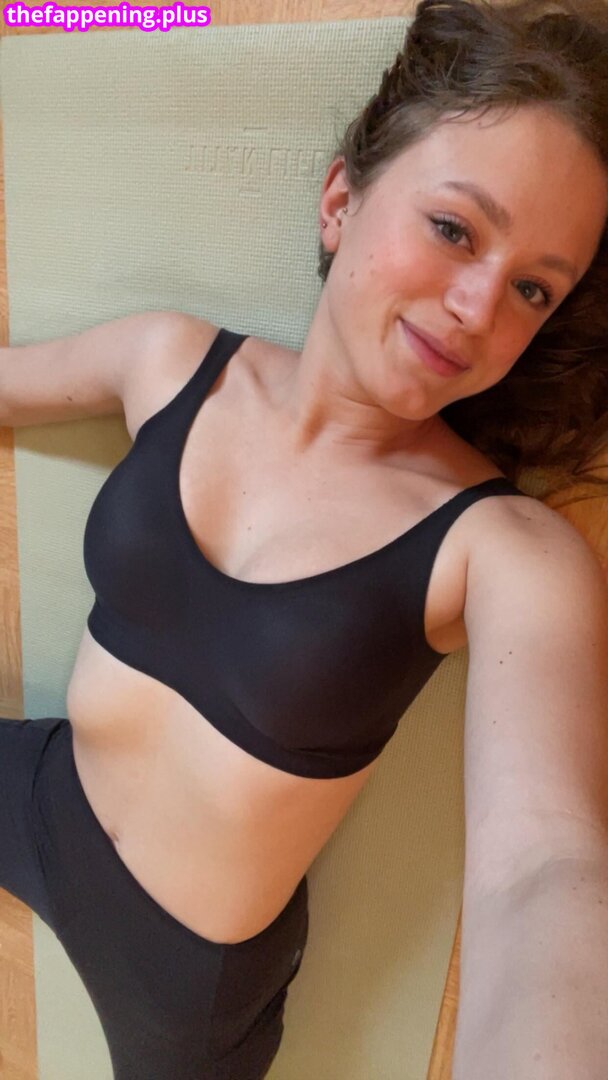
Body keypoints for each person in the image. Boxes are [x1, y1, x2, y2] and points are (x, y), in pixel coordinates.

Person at [1, 0, 607, 1076]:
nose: (479, 308)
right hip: (51, 794)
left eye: (531, 289)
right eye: (454, 229)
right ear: (339, 200)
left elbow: (543, 866)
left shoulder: (506, 550)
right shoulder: (169, 361)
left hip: (181, 980)